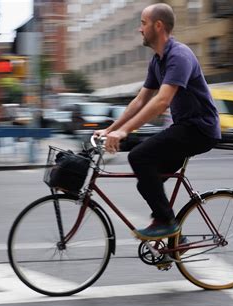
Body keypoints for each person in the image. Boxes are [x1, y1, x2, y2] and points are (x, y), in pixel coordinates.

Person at [94, 3, 221, 240]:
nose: (139, 29)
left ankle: (166, 223)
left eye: (143, 23)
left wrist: (124, 133)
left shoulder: (179, 56)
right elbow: (140, 101)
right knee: (147, 181)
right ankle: (174, 240)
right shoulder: (158, 60)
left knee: (139, 156)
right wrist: (110, 129)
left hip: (200, 128)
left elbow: (162, 102)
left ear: (158, 25)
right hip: (185, 127)